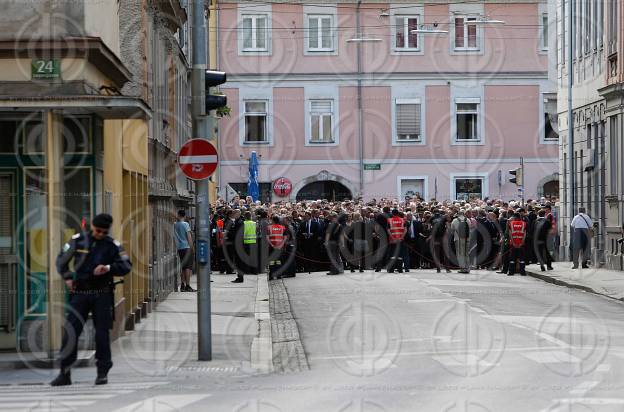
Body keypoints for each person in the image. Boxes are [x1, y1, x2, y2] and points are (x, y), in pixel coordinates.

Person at [50, 214, 132, 386]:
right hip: (80, 293)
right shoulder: (77, 241)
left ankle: (102, 373)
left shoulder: (112, 245)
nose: (100, 234)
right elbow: (61, 260)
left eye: (104, 232)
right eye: (97, 231)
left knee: (101, 334)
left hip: (102, 294)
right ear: (92, 227)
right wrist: (67, 278)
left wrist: (108, 268)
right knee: (71, 331)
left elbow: (126, 265)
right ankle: (64, 374)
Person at [174, 210, 195, 292]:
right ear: (185, 216)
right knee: (188, 267)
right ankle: (188, 285)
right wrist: (192, 248)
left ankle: (182, 284)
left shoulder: (175, 224)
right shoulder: (185, 224)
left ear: (178, 215)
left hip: (180, 248)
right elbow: (189, 237)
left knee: (183, 267)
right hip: (187, 247)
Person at [507, 210, 528, 276]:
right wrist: (522, 242)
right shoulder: (524, 223)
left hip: (513, 244)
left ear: (515, 217)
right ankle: (522, 272)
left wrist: (513, 243)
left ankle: (511, 272)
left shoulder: (511, 223)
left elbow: (510, 234)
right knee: (521, 259)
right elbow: (524, 234)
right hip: (521, 244)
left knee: (512, 259)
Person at [267, 215, 287, 279]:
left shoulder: (269, 227)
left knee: (272, 261)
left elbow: (267, 238)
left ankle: (271, 275)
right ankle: (279, 275)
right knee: (279, 261)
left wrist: (272, 245)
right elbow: (285, 238)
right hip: (279, 247)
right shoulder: (283, 227)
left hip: (271, 247)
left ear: (273, 220)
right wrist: (281, 245)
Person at [387, 209, 406, 273]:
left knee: (392, 255)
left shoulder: (389, 220)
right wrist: (401, 237)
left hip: (393, 241)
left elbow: (388, 230)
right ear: (398, 213)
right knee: (400, 255)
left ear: (392, 214)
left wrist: (393, 238)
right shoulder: (403, 220)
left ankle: (391, 269)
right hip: (400, 240)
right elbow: (405, 230)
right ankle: (400, 269)